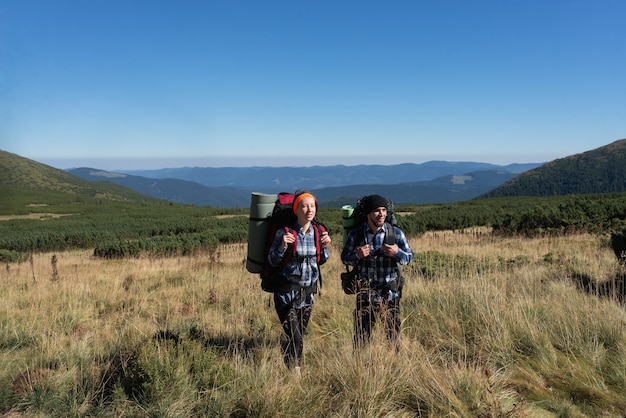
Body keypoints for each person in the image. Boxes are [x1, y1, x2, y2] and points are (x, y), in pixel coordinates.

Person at [267, 191, 331, 371]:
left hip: (307, 296)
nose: (309, 209)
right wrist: (282, 246)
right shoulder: (284, 233)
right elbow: (272, 260)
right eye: (304, 206)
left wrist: (326, 246)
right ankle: (295, 373)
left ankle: (290, 365)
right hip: (285, 295)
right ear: (296, 210)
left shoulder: (319, 232)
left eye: (312, 206)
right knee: (296, 338)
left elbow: (322, 260)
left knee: (298, 336)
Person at [341, 194, 413, 349]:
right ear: (368, 214)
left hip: (390, 295)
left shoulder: (395, 233)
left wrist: (397, 253)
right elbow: (345, 258)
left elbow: (409, 257)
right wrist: (356, 255)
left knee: (394, 338)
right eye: (376, 211)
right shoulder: (357, 234)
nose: (381, 214)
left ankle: (395, 367)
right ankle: (359, 369)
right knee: (361, 339)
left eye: (383, 210)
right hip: (365, 295)